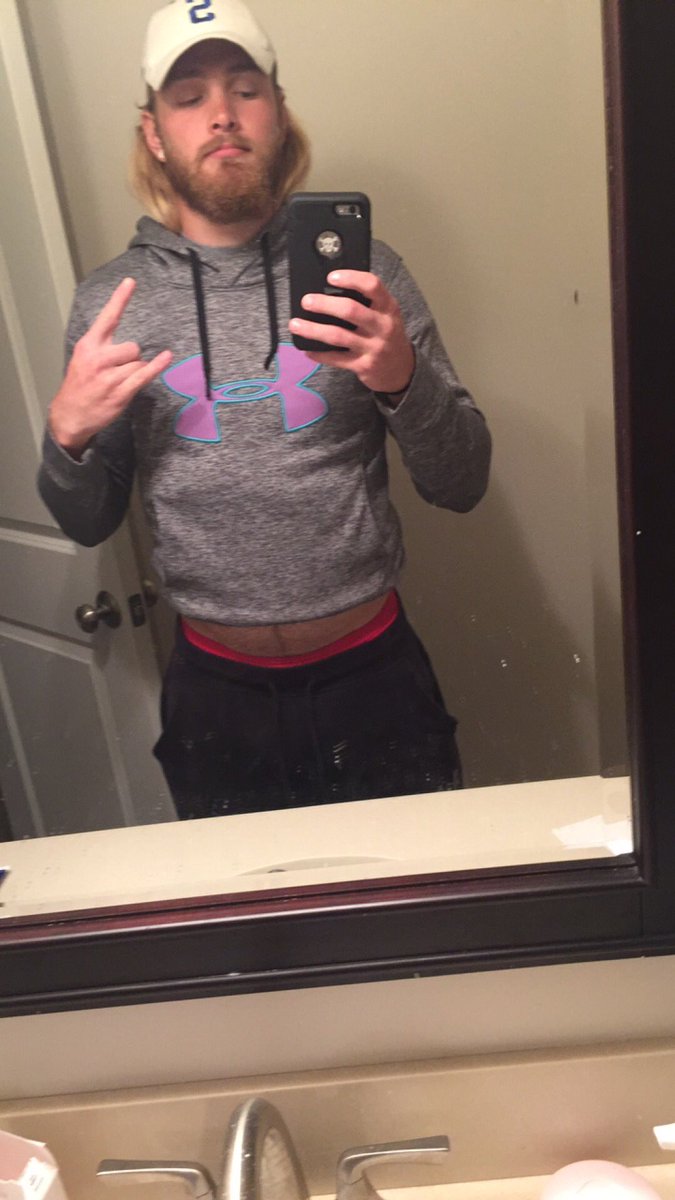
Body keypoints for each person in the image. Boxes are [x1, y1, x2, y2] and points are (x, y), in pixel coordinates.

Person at [38, 0, 492, 820]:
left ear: (278, 114)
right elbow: (88, 521)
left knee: (411, 896)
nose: (221, 114)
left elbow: (461, 483)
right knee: (244, 907)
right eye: (189, 96)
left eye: (245, 89)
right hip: (215, 695)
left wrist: (401, 378)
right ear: (153, 133)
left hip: (374, 679)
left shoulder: (366, 277)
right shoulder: (113, 303)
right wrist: (66, 441)